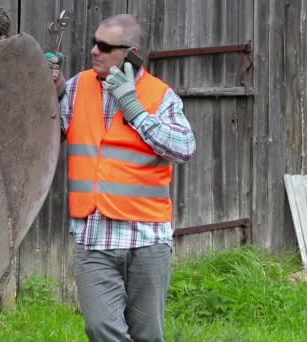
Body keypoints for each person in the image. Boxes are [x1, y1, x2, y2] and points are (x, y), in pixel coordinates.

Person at [45, 14, 196, 342]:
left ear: (130, 51)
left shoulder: (159, 95)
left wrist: (136, 110)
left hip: (147, 239)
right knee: (100, 329)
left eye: (104, 46)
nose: (94, 51)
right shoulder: (77, 87)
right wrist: (49, 94)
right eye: (93, 43)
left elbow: (184, 148)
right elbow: (46, 138)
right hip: (94, 237)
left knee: (147, 335)